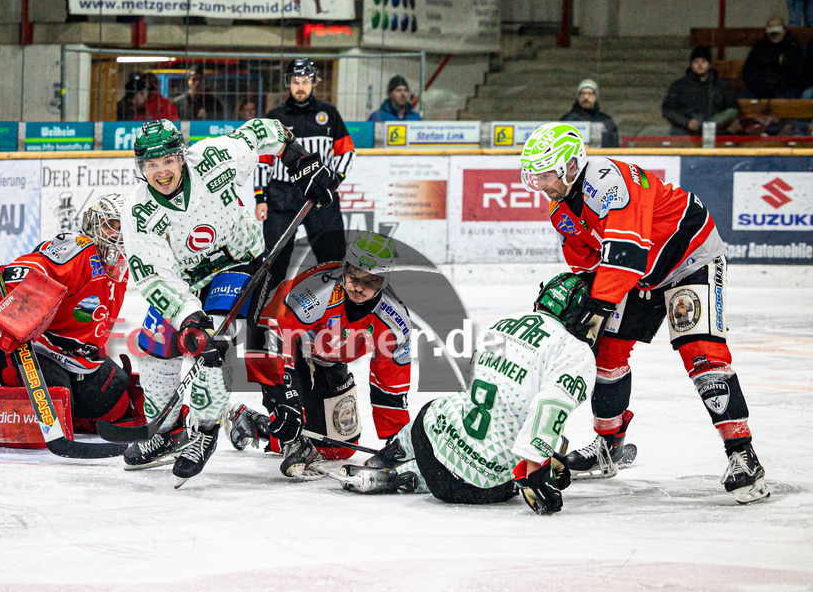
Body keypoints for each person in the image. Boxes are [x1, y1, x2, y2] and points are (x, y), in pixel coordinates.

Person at [517, 122, 769, 504]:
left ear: (570, 166)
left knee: (701, 352)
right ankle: (608, 447)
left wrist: (598, 306)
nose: (541, 184)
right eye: (534, 176)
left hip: (690, 258)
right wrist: (586, 304)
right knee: (605, 355)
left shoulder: (607, 182)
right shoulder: (560, 209)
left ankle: (742, 453)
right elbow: (588, 263)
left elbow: (626, 253)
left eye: (546, 174)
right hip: (639, 272)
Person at [120, 117, 338, 487]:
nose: (161, 172)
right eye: (151, 164)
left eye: (168, 161)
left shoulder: (214, 158)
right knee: (155, 350)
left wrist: (298, 158)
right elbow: (154, 276)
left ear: (181, 156)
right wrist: (189, 317)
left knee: (215, 342)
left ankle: (204, 432)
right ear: (141, 167)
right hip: (185, 284)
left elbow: (261, 132)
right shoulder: (138, 213)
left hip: (238, 264)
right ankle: (169, 432)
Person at [333, 273, 597, 514]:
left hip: (429, 439)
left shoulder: (503, 323)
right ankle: (403, 477)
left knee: (441, 406)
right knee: (543, 447)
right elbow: (550, 406)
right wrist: (537, 466)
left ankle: (391, 453)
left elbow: (473, 384)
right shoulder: (575, 351)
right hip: (476, 486)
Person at [226, 232, 412, 479]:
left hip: (330, 361)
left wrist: (397, 439)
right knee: (291, 420)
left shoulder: (395, 320)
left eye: (370, 282)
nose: (358, 287)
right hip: (291, 354)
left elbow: (390, 384)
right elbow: (269, 332)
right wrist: (283, 398)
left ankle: (255, 423)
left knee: (339, 449)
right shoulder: (319, 290)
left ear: (384, 282)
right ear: (344, 268)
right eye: (354, 276)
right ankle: (280, 426)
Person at [0, 193, 147, 435]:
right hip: (29, 345)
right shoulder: (78, 248)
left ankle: (74, 417)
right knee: (58, 399)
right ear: (94, 225)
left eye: (123, 227)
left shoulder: (120, 263)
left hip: (77, 356)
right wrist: (16, 283)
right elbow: (38, 264)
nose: (118, 235)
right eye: (111, 225)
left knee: (114, 402)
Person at [255, 58, 354, 295]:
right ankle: (266, 308)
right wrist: (260, 197)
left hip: (320, 193)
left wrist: (335, 179)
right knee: (274, 261)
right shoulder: (275, 117)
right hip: (281, 196)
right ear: (288, 83)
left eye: (305, 81)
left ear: (314, 83)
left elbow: (347, 151)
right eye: (295, 81)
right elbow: (263, 160)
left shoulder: (329, 113)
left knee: (333, 258)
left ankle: (337, 306)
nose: (300, 86)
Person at [661, 47, 738, 136]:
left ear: (709, 64)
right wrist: (687, 122)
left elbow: (732, 108)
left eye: (703, 61)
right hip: (684, 130)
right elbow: (668, 109)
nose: (700, 65)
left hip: (712, 131)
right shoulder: (679, 85)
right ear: (691, 65)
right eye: (696, 62)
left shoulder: (720, 85)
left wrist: (713, 122)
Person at [741, 15, 806, 99]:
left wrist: (779, 86)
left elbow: (798, 74)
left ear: (784, 30)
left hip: (785, 89)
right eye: (772, 33)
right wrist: (760, 87)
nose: (774, 36)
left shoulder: (792, 48)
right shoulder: (759, 47)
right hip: (760, 89)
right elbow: (748, 71)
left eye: (777, 33)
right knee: (741, 101)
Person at [559, 79, 620, 148]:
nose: (586, 97)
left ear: (596, 97)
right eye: (583, 93)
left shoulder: (606, 121)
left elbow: (614, 147)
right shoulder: (566, 120)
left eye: (590, 93)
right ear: (578, 97)